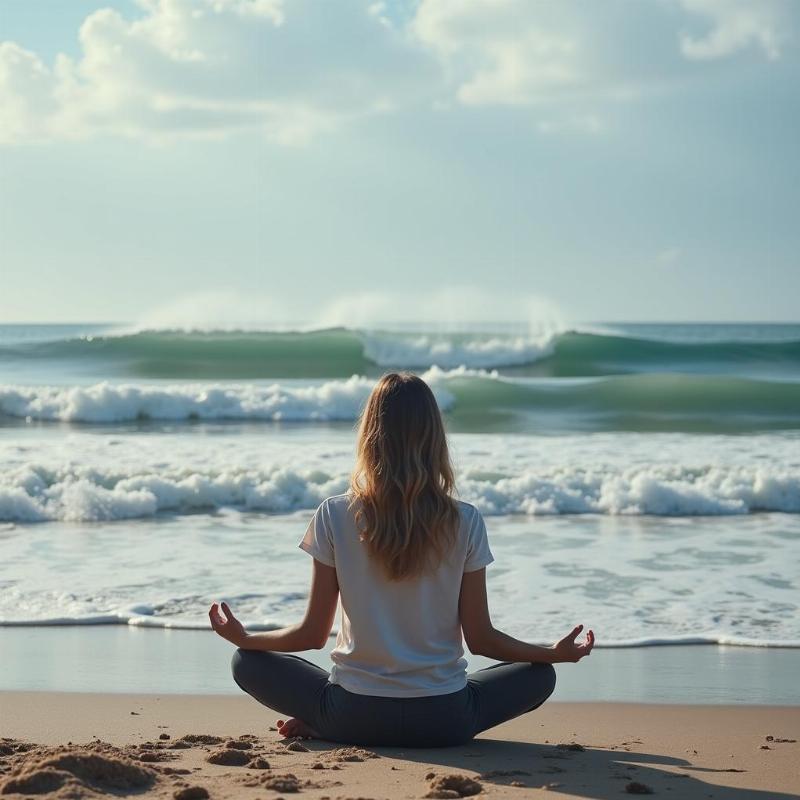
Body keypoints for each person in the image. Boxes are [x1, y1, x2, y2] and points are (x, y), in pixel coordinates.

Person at [209, 372, 594, 747]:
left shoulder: (334, 514)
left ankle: (327, 725)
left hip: (351, 714)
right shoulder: (465, 520)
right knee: (541, 675)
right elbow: (480, 639)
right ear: (434, 438)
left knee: (246, 661)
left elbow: (312, 635)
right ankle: (377, 725)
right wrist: (552, 653)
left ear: (369, 435)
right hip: (445, 720)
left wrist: (245, 638)